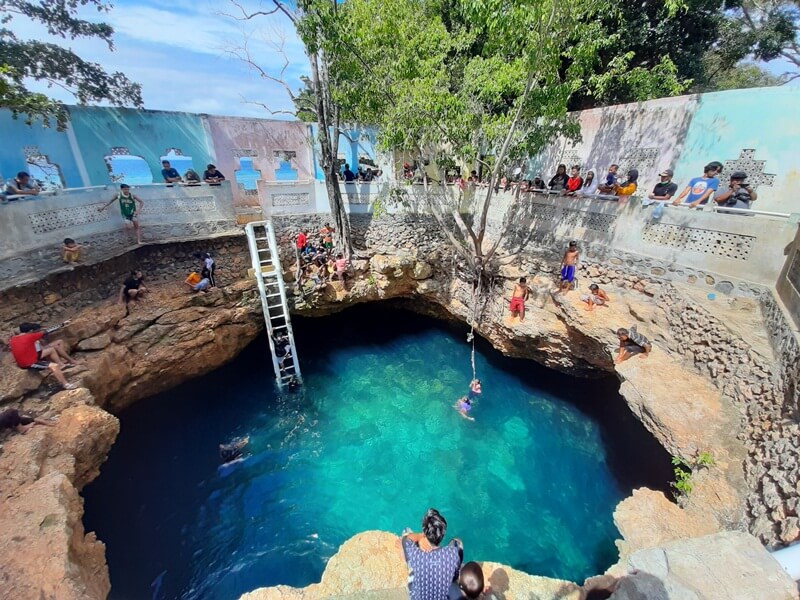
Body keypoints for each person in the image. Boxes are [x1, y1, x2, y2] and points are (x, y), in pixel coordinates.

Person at [402, 508, 463, 600]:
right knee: (456, 541)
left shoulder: (416, 555)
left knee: (406, 531)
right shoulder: (453, 554)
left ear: (425, 532)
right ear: (443, 534)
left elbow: (406, 539)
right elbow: (458, 542)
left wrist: (420, 536)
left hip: (417, 597)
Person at [8, 322, 76, 389]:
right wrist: (62, 324)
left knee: (50, 350)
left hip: (26, 359)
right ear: (30, 331)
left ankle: (61, 365)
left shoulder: (13, 339)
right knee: (54, 366)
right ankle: (66, 384)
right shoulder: (30, 336)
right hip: (29, 363)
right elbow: (48, 331)